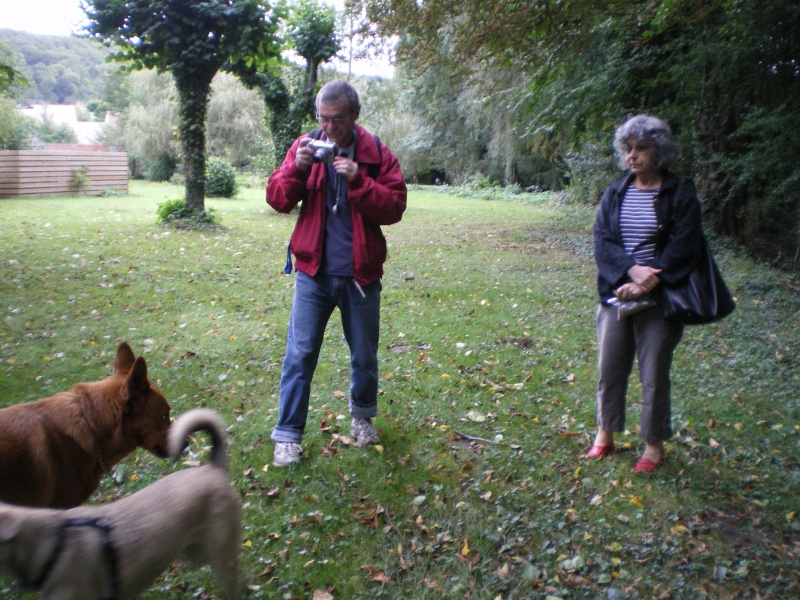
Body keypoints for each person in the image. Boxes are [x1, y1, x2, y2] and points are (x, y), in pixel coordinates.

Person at [266, 80, 407, 467]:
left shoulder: (376, 153)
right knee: (300, 354)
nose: (329, 128)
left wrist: (360, 180)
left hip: (360, 274)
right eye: (323, 119)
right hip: (313, 271)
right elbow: (277, 199)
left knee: (364, 354)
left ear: (355, 115)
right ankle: (288, 436)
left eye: (338, 120)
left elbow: (395, 206)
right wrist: (297, 168)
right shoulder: (304, 146)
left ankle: (362, 418)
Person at [588, 114, 703, 473]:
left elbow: (686, 244)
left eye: (641, 148)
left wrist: (647, 279)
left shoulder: (679, 192)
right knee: (610, 369)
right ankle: (605, 433)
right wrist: (629, 271)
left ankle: (653, 445)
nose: (632, 155)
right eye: (628, 148)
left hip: (660, 299)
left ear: (660, 151)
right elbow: (601, 239)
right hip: (617, 293)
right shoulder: (617, 191)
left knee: (653, 373)